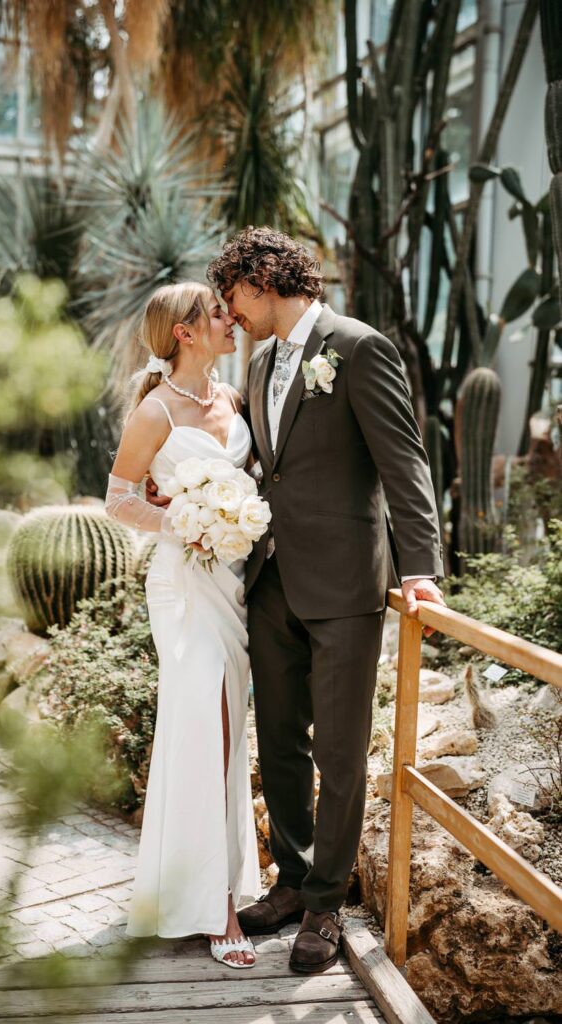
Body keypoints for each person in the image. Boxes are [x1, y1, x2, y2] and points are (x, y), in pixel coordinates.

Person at [204, 226, 447, 974]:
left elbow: (401, 459)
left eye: (233, 295)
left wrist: (419, 567)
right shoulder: (261, 360)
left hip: (343, 584)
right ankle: (290, 878)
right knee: (278, 740)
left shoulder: (358, 346)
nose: (229, 311)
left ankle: (324, 906)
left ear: (265, 279)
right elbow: (263, 464)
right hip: (270, 578)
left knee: (341, 753)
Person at [104, 281, 260, 969]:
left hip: (232, 586)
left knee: (225, 732)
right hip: (181, 582)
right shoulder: (156, 410)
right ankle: (216, 906)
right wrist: (188, 523)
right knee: (202, 726)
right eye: (217, 314)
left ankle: (195, 889)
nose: (231, 320)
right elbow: (117, 498)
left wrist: (231, 523)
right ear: (185, 333)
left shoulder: (231, 398)